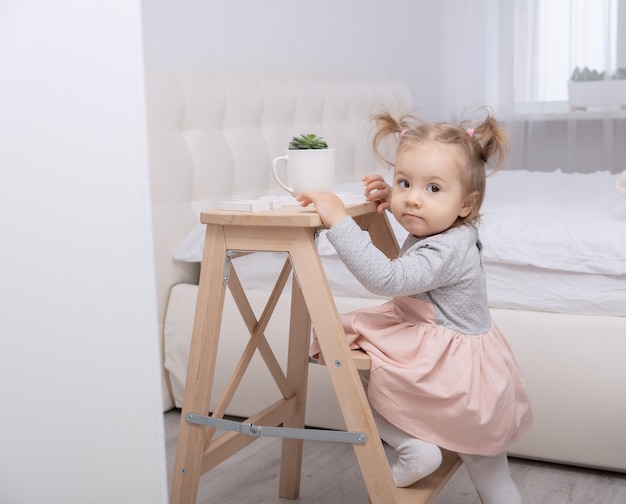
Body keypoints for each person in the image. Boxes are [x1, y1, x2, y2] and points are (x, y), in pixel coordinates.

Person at [297, 109, 533, 504]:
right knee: (492, 475)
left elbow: (386, 279)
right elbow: (418, 214)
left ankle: (410, 444)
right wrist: (392, 201)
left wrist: (340, 221)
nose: (414, 199)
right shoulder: (457, 231)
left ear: (466, 203)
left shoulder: (444, 249)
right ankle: (451, 465)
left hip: (448, 371)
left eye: (433, 189)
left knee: (341, 346)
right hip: (478, 377)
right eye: (405, 182)